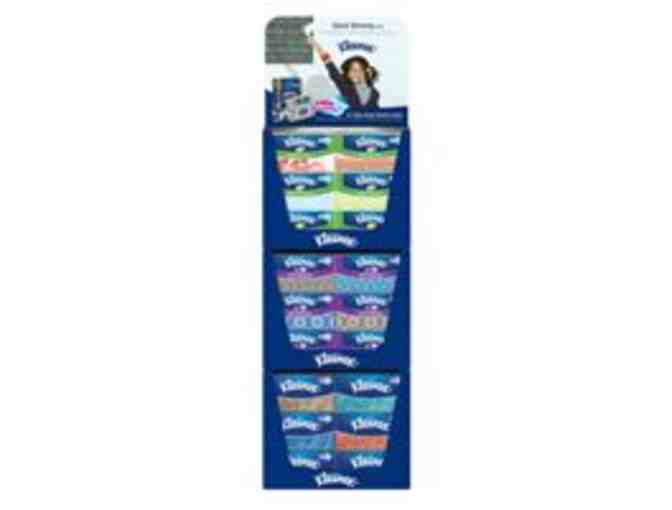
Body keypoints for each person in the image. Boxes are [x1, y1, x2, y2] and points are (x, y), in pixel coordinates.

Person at [311, 40, 380, 109]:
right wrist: (316, 45)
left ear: (366, 71)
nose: (355, 74)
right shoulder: (347, 89)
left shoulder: (374, 93)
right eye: (351, 71)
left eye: (358, 70)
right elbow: (330, 66)